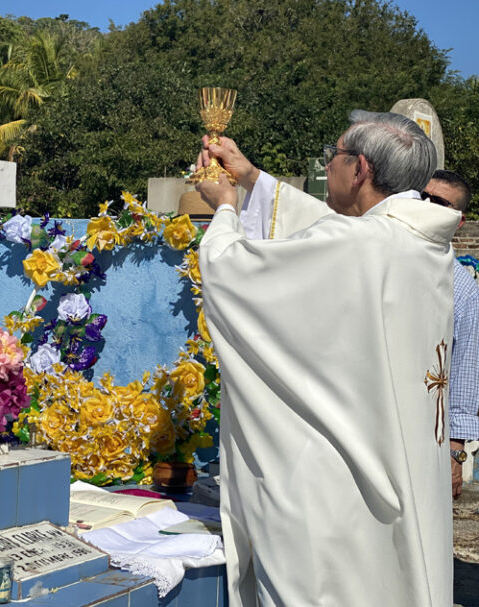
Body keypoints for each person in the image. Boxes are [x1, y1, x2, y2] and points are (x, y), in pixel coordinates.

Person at [194, 110, 461, 606]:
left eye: (332, 156)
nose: (329, 165)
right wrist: (253, 179)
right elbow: (333, 229)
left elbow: (232, 273)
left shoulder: (358, 245)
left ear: (359, 168)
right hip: (403, 473)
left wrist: (226, 209)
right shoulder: (425, 244)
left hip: (344, 489)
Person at [423, 169, 479, 499]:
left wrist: (456, 453)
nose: (427, 205)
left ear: (458, 220)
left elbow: (464, 370)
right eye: (423, 197)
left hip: (428, 428)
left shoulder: (462, 288)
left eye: (439, 203)